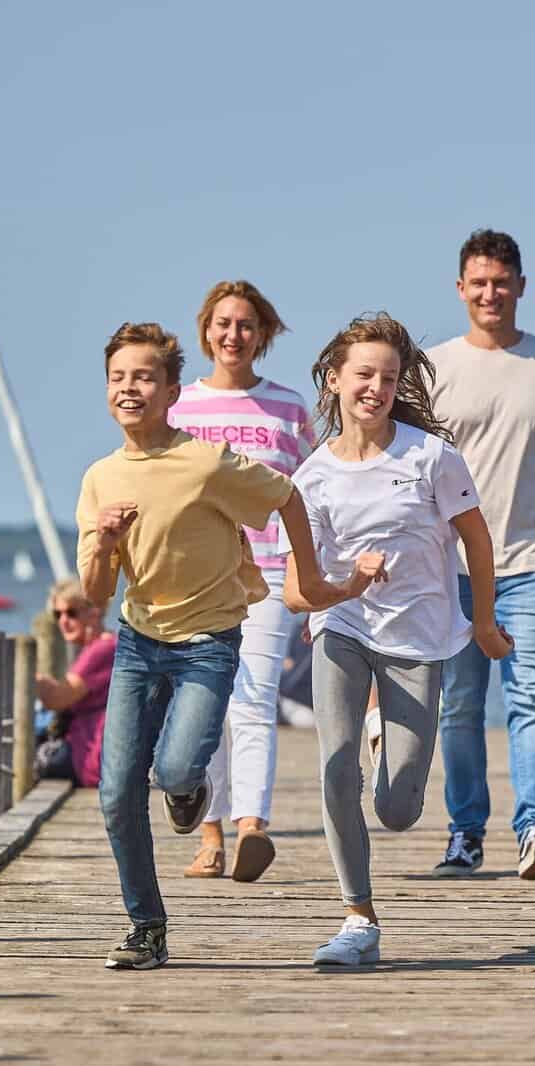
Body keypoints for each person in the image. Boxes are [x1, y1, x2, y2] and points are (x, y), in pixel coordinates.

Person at [78, 321, 376, 972]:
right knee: (116, 792)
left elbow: (287, 497)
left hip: (208, 642)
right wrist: (103, 541)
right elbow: (95, 592)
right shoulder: (101, 478)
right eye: (118, 378)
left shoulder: (206, 462)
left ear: (171, 392)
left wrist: (307, 578)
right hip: (137, 643)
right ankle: (147, 927)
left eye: (144, 377)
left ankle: (187, 788)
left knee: (176, 770)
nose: (129, 388)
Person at [285, 312, 513, 967]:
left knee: (398, 808)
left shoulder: (431, 457)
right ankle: (358, 917)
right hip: (343, 629)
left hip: (418, 637)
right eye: (364, 375)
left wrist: (484, 622)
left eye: (389, 378)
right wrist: (345, 588)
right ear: (334, 380)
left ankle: (388, 743)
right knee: (336, 766)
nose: (376, 389)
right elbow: (298, 591)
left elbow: (476, 541)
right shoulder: (312, 477)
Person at [426, 229, 535, 882]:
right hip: (452, 569)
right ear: (460, 288)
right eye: (479, 282)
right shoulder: (432, 367)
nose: (490, 293)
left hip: (533, 564)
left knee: (529, 699)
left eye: (502, 282)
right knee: (460, 705)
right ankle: (465, 833)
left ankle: (534, 828)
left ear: (522, 286)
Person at [168, 281, 317, 883]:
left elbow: (309, 494)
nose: (234, 335)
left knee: (253, 699)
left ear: (264, 335)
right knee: (204, 704)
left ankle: (251, 826)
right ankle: (209, 837)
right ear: (206, 331)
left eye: (246, 324)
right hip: (196, 577)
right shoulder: (179, 406)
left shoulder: (288, 408)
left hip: (270, 573)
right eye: (223, 323)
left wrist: (313, 579)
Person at [33, 579, 114, 786]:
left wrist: (25, 675)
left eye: (71, 613)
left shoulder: (101, 650)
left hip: (88, 758)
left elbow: (57, 698)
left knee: (19, 757)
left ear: (95, 611)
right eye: (57, 614)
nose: (63, 621)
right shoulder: (104, 645)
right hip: (92, 754)